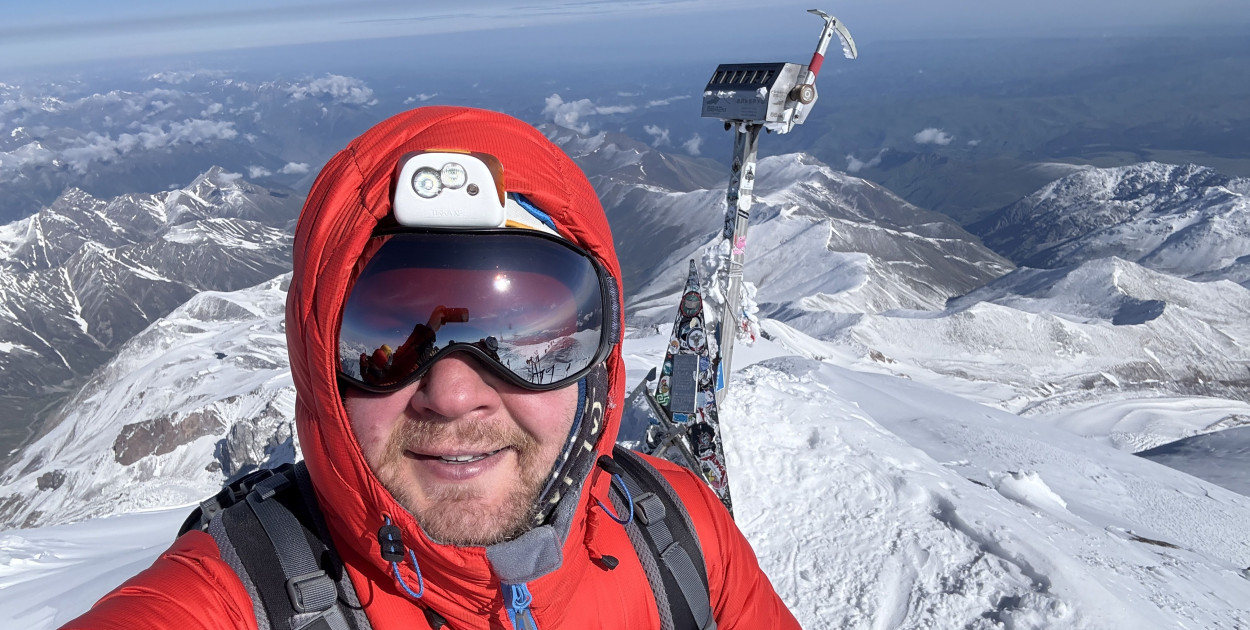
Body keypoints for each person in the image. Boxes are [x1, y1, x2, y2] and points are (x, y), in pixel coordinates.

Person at [63, 106, 799, 629]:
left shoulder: (679, 531)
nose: (452, 393)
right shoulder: (239, 596)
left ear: (595, 367)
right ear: (321, 371)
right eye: (386, 340)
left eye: (524, 337)